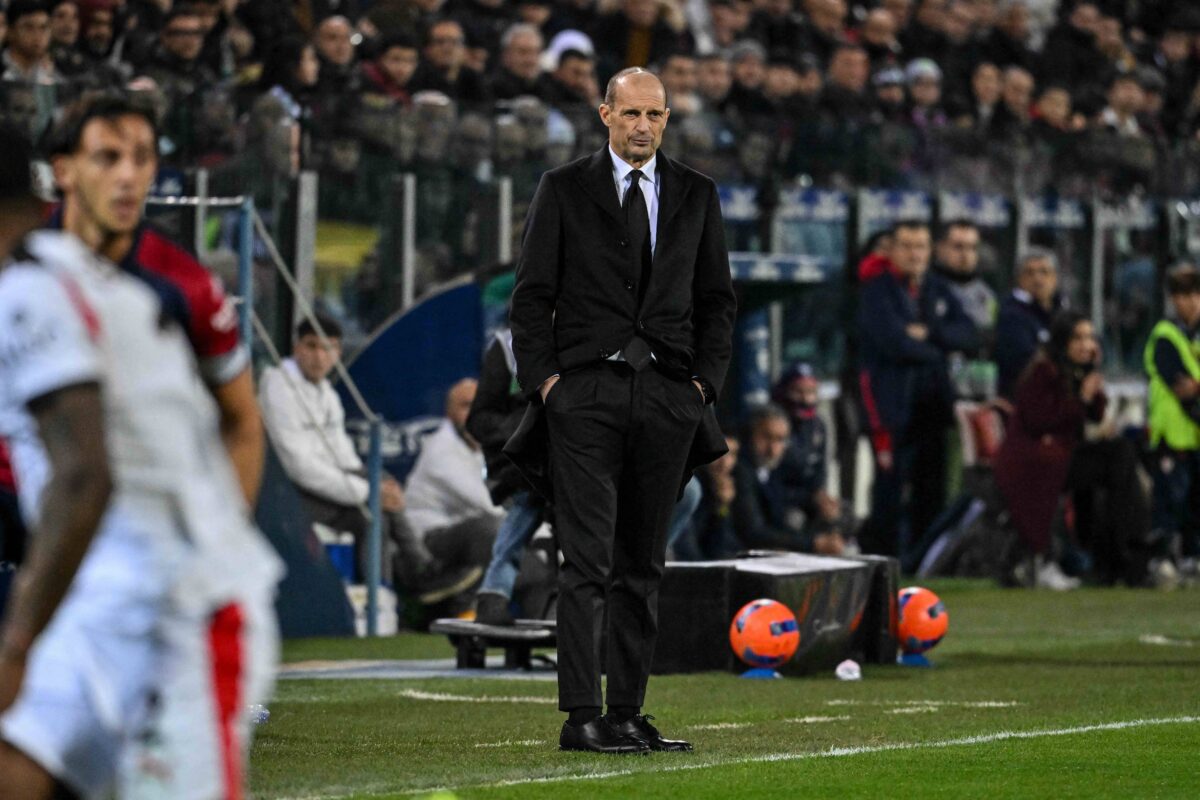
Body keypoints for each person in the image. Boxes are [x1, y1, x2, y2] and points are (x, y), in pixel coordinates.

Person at [0, 121, 282, 800]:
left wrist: (17, 643)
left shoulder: (29, 296)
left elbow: (84, 475)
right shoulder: (63, 273)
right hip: (98, 596)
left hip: (178, 612)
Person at [506, 67, 735, 754]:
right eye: (631, 113)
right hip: (585, 396)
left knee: (642, 565)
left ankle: (628, 712)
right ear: (604, 113)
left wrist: (700, 388)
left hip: (668, 397)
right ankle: (582, 715)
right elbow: (530, 295)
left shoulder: (698, 193)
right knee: (587, 563)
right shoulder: (563, 187)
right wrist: (549, 386)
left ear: (667, 120)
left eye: (656, 116)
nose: (643, 127)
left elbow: (717, 301)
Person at [258, 314, 478, 602]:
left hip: (324, 488)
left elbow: (344, 457)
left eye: (329, 349)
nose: (320, 357)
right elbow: (298, 467)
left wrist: (377, 486)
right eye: (312, 347)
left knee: (382, 491)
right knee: (374, 507)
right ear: (297, 348)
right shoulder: (277, 386)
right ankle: (412, 577)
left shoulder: (326, 393)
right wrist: (367, 490)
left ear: (338, 353)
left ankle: (394, 588)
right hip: (286, 491)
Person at [993, 311, 1149, 589]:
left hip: (1060, 457)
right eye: (1077, 337)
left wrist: (1092, 377)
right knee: (1119, 460)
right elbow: (1043, 421)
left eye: (1089, 337)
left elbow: (1095, 415)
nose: (1084, 344)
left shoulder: (1076, 370)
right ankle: (1121, 559)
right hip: (1035, 461)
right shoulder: (1043, 371)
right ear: (1062, 340)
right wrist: (1084, 397)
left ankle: (1120, 557)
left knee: (1121, 456)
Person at [856, 219, 979, 560]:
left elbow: (970, 334)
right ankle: (883, 563)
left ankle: (921, 561)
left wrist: (929, 333)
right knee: (889, 491)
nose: (914, 254)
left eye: (921, 246)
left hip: (933, 407)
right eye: (906, 246)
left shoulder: (935, 288)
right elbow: (895, 343)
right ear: (892, 250)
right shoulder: (876, 290)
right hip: (890, 408)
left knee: (932, 489)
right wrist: (939, 348)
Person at [403, 379, 503, 608]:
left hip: (461, 534)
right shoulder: (440, 450)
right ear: (449, 413)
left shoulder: (484, 448)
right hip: (425, 545)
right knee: (491, 529)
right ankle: (464, 609)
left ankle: (548, 630)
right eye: (467, 405)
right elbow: (489, 502)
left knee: (538, 563)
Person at [1144, 265, 1200, 578]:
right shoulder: (1165, 335)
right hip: (1172, 432)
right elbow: (1181, 388)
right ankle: (1161, 560)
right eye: (1181, 295)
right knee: (1170, 499)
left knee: (1194, 500)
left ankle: (1192, 557)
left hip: (1195, 434)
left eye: (1194, 294)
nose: (1190, 302)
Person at [731, 404, 846, 555]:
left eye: (780, 440)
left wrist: (820, 502)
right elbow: (754, 531)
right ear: (750, 435)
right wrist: (813, 543)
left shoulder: (775, 468)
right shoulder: (740, 471)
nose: (773, 449)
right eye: (766, 437)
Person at [994, 248, 1064, 401]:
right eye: (1030, 273)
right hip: (1022, 398)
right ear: (1019, 279)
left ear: (1055, 278)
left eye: (1044, 272)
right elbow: (1023, 361)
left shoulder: (1064, 309)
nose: (1038, 279)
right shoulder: (1011, 314)